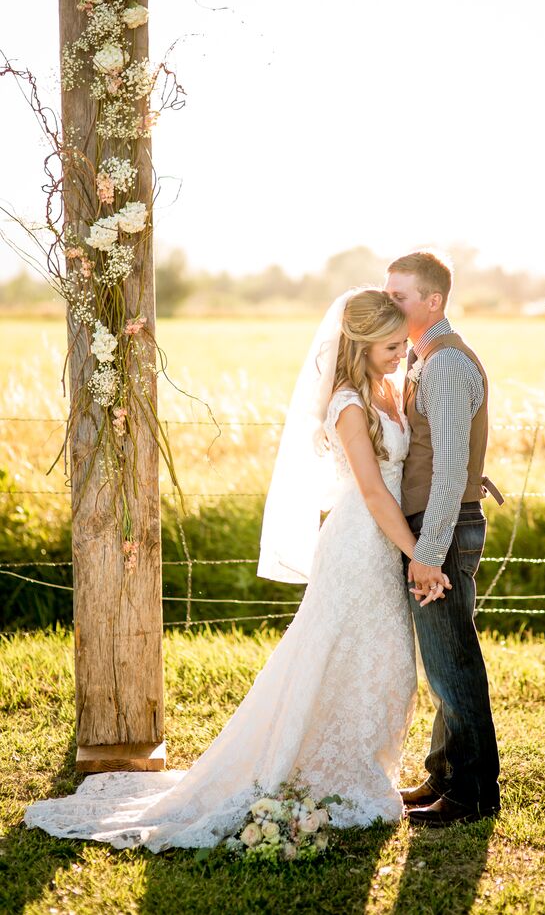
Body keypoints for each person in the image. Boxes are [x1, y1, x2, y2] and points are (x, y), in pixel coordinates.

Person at [23, 289, 450, 851]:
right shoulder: (348, 404)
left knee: (384, 657)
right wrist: (418, 552)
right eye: (391, 346)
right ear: (362, 345)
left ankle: (358, 768)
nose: (402, 353)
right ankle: (323, 772)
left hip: (387, 539)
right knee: (340, 651)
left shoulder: (390, 387)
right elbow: (371, 490)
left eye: (403, 344)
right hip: (360, 543)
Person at [385, 252, 502, 826]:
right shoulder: (424, 357)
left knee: (453, 659)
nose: (391, 304)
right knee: (443, 658)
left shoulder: (447, 364)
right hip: (440, 523)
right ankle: (444, 772)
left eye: (401, 295)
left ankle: (474, 793)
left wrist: (427, 555)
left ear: (433, 301)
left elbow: (451, 469)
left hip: (444, 530)